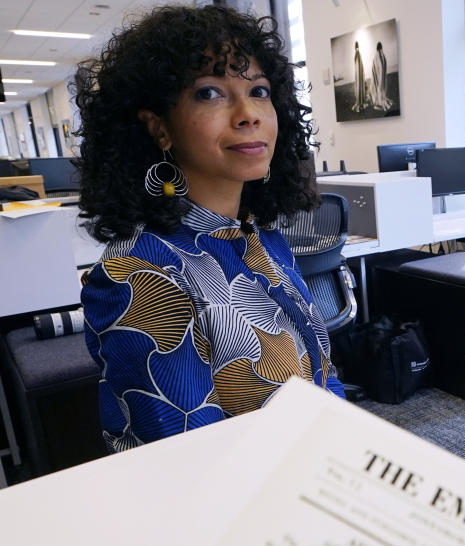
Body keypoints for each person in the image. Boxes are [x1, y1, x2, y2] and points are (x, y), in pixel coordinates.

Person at [74, 5, 342, 452]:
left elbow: (322, 375)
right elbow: (186, 463)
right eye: (210, 94)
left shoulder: (258, 236)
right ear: (159, 127)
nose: (247, 113)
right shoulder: (140, 274)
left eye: (258, 90)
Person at [371, 41, 391, 111]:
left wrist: (376, 75)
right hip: (382, 77)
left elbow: (374, 67)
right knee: (382, 88)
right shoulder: (383, 55)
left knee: (378, 88)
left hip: (378, 77)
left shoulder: (376, 56)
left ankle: (379, 100)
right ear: (381, 47)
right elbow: (384, 67)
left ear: (376, 48)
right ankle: (382, 98)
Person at [352, 40, 366, 112]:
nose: (357, 48)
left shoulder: (356, 54)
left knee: (359, 87)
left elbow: (357, 64)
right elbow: (359, 65)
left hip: (358, 74)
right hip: (359, 74)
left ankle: (360, 101)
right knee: (359, 87)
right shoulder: (358, 53)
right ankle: (360, 101)